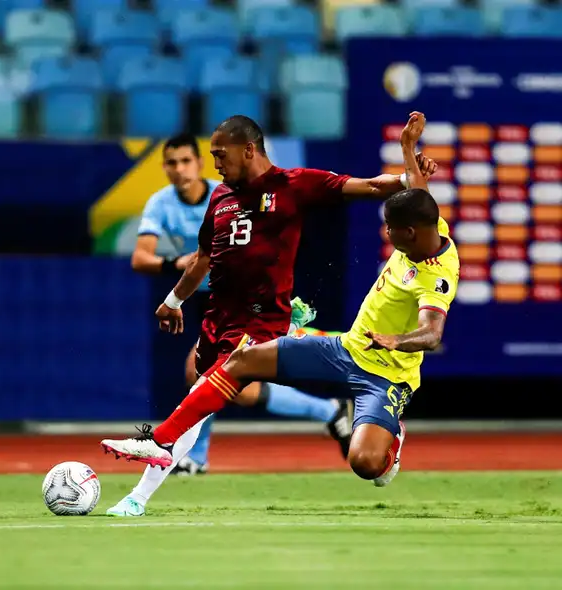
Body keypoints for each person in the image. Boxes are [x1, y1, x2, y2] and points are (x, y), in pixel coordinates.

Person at [102, 111, 455, 488]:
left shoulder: (436, 274)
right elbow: (418, 202)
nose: (387, 234)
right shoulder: (219, 198)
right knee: (222, 372)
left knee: (365, 463)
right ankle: (162, 445)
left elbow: (431, 333)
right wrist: (408, 152)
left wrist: (396, 341)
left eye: (220, 155)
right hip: (346, 346)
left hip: (374, 364)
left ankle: (379, 433)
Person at [130, 134, 353, 479]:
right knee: (243, 392)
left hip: (253, 300)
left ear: (200, 164)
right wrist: (179, 264)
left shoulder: (229, 192)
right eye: (171, 163)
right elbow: (141, 258)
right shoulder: (161, 203)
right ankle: (330, 411)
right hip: (209, 300)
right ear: (164, 168)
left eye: (186, 161)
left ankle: (195, 457)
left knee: (200, 372)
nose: (179, 169)